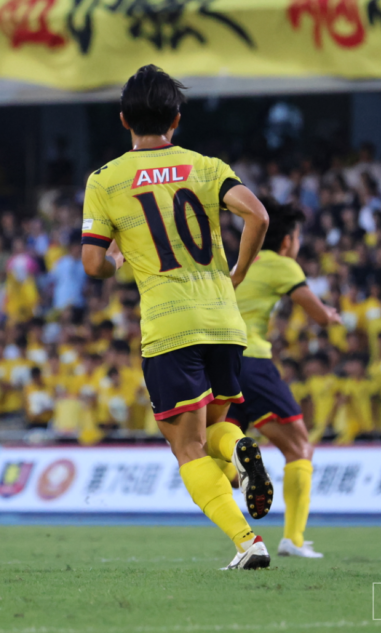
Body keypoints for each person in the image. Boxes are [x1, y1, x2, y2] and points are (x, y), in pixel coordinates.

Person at [81, 65, 272, 570]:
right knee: (213, 433)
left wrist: (116, 258)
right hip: (224, 321)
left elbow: (93, 264)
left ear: (124, 120)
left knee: (187, 449)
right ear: (177, 120)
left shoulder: (105, 180)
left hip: (169, 328)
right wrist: (237, 273)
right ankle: (241, 448)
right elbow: (258, 215)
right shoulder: (204, 166)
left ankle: (247, 542)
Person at [226, 197, 340, 559]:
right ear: (288, 240)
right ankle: (293, 538)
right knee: (299, 448)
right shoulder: (282, 264)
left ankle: (232, 474)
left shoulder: (242, 263)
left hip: (222, 364)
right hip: (252, 361)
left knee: (226, 442)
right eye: (298, 237)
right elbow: (318, 316)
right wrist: (331, 315)